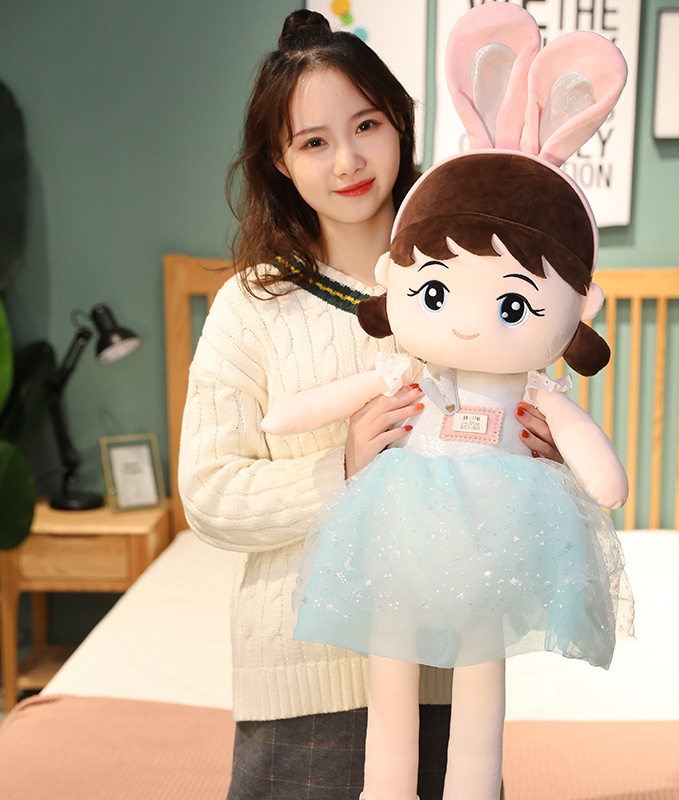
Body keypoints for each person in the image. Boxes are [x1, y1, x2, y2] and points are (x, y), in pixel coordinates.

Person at [178, 9, 558, 799]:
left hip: (451, 669)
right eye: (314, 142)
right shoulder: (251, 306)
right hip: (302, 682)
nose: (348, 161)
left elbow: (520, 467)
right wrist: (343, 468)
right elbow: (209, 495)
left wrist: (543, 464)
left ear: (400, 124)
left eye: (366, 126)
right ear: (279, 159)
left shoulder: (477, 284)